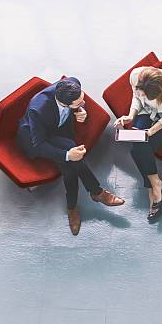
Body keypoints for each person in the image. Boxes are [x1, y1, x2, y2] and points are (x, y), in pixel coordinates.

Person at [17, 77, 125, 235]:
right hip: (39, 138)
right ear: (64, 103)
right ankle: (94, 194)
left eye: (82, 99)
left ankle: (75, 206)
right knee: (70, 164)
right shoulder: (38, 110)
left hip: (61, 131)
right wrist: (68, 155)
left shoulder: (73, 83)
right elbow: (39, 145)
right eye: (78, 103)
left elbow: (81, 103)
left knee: (70, 166)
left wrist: (81, 111)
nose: (83, 102)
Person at [113, 67, 162, 221]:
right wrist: (130, 116)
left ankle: (152, 186)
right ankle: (156, 184)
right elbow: (136, 97)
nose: (142, 94)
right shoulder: (136, 75)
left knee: (138, 150)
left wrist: (151, 131)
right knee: (139, 144)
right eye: (141, 91)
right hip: (148, 111)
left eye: (145, 94)